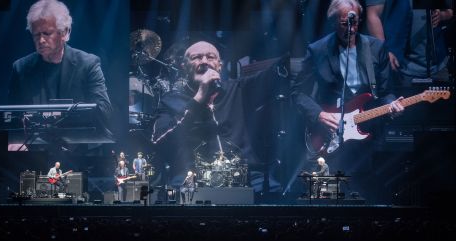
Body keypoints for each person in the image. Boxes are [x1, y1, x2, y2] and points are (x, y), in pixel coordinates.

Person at [151, 40, 287, 191]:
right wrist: (199, 97)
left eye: (210, 57)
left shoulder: (239, 89)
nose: (204, 62)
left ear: (219, 65)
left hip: (245, 175)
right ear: (184, 67)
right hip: (192, 177)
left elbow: (276, 73)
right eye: (196, 57)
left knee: (276, 196)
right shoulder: (171, 101)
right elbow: (159, 141)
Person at [292, 0, 405, 174]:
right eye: (345, 24)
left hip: (368, 132)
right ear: (333, 22)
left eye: (355, 23)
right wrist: (319, 114)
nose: (351, 29)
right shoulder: (318, 50)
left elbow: (385, 92)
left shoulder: (376, 48)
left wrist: (392, 105)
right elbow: (298, 93)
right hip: (330, 134)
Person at [8, 0, 112, 137]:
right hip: (36, 147)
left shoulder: (88, 64)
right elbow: (12, 116)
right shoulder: (20, 68)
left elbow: (104, 111)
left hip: (81, 146)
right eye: (36, 34)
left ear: (65, 33)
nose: (41, 40)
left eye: (47, 33)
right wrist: (16, 140)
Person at [364, 0, 453, 86]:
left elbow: (450, 11)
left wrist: (441, 15)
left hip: (437, 66)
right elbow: (373, 15)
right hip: (402, 67)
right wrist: (384, 51)